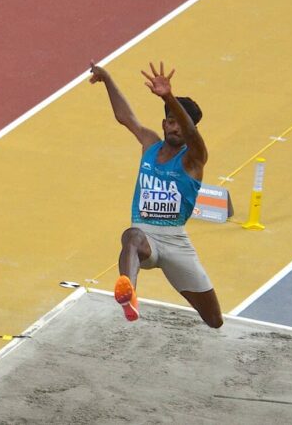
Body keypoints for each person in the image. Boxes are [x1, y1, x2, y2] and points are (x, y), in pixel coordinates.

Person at [89, 60, 223, 328]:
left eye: (181, 125)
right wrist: (107, 78)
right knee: (130, 236)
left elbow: (192, 132)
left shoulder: (194, 158)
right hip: (145, 238)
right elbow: (125, 118)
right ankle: (129, 297)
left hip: (176, 242)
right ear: (164, 123)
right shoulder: (150, 144)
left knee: (214, 320)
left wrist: (169, 97)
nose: (175, 128)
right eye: (171, 122)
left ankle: (140, 293)